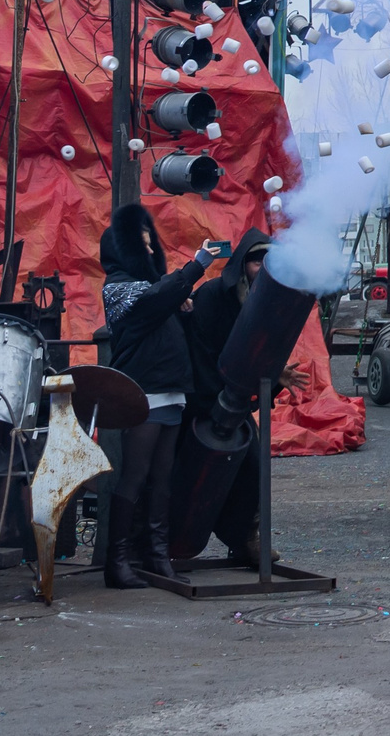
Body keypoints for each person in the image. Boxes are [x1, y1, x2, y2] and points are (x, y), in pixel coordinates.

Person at [98, 204, 228, 587]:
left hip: (171, 388)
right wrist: (198, 264)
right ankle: (117, 561)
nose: (150, 249)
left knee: (162, 477)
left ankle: (156, 554)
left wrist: (182, 306)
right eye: (141, 244)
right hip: (144, 389)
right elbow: (154, 299)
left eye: (149, 241)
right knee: (135, 474)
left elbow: (162, 304)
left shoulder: (156, 292)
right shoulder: (118, 289)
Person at [184, 229, 307, 567]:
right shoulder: (212, 296)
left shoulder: (267, 304)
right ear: (241, 265)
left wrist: (272, 373)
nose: (263, 267)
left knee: (253, 466)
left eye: (270, 261)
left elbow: (262, 350)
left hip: (234, 401)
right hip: (201, 398)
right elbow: (198, 350)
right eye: (256, 261)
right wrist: (214, 396)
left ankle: (245, 538)